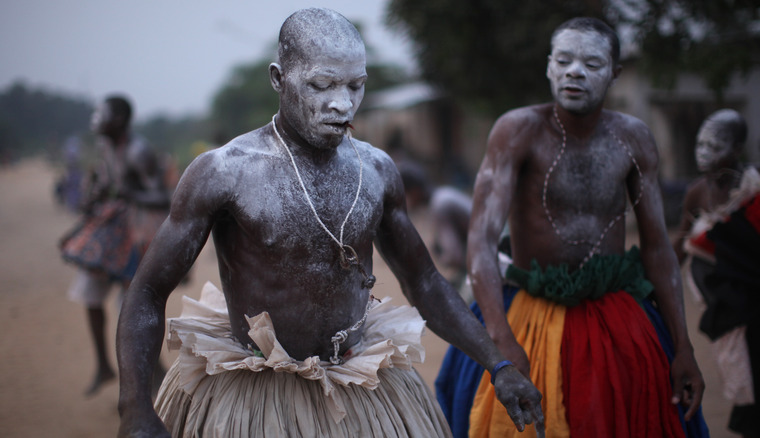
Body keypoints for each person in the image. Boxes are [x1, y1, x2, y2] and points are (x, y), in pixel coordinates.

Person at [116, 8, 543, 438]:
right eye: (321, 85)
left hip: (360, 386)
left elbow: (425, 282)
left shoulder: (375, 170)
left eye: (356, 86)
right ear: (278, 79)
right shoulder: (225, 172)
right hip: (256, 399)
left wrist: (498, 363)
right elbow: (148, 291)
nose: (342, 103)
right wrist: (134, 407)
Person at [438, 17, 710, 437]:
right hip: (524, 315)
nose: (574, 72)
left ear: (615, 74)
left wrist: (683, 347)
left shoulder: (633, 138)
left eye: (592, 63)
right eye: (563, 60)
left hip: (616, 320)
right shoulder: (517, 130)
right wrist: (502, 345)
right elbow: (482, 242)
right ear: (549, 66)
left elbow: (657, 249)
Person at [673, 109, 760, 438]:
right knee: (747, 390)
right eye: (701, 143)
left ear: (736, 148)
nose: (704, 151)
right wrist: (648, 284)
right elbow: (679, 247)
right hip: (728, 313)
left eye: (716, 144)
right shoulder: (698, 193)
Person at [59, 95, 170, 396]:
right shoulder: (106, 146)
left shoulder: (139, 152)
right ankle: (104, 366)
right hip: (115, 226)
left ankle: (153, 372)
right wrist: (95, 196)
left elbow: (163, 197)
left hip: (139, 232)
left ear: (118, 120)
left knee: (131, 306)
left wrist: (130, 193)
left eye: (101, 115)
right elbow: (108, 181)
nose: (96, 120)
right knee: (89, 293)